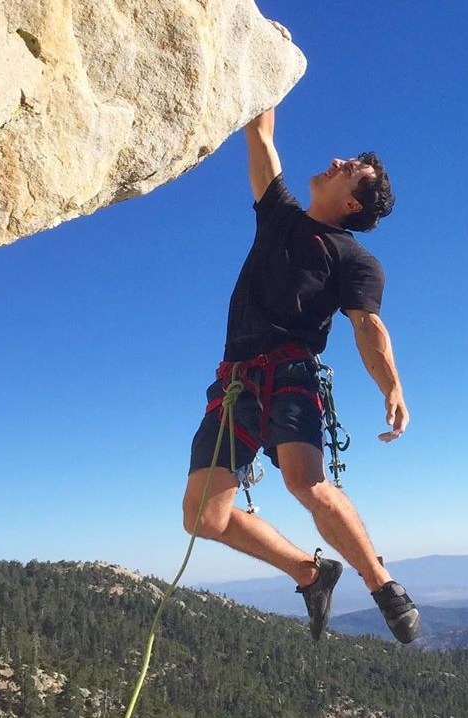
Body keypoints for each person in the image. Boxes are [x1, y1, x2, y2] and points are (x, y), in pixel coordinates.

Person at [180, 88, 420, 644]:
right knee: (202, 518)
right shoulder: (279, 215)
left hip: (290, 371)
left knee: (305, 483)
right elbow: (259, 133)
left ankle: (381, 583)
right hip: (235, 380)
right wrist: (260, 70)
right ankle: (310, 574)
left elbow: (368, 327)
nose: (336, 161)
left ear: (355, 203)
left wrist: (393, 387)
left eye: (351, 169)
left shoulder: (355, 257)